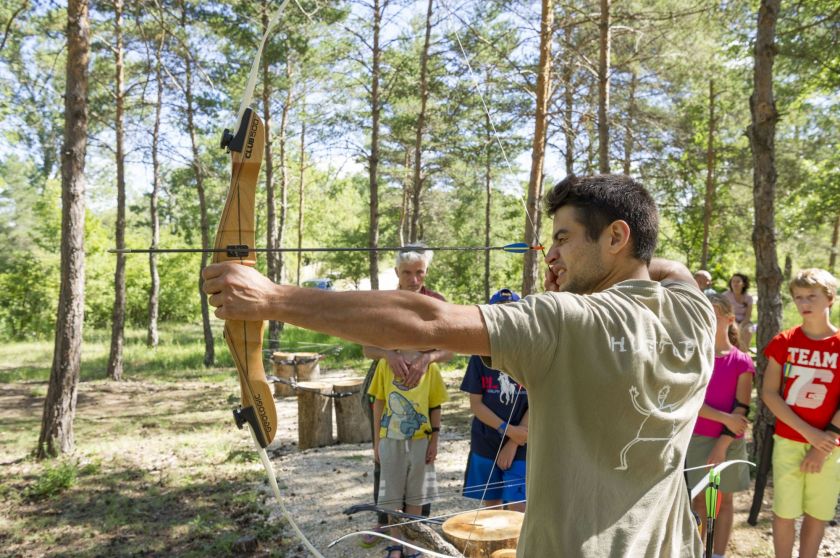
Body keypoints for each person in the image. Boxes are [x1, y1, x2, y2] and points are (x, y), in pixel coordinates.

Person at [202, 174, 715, 557]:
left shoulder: (566, 320)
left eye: (562, 238)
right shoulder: (695, 314)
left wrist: (271, 298)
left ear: (616, 236)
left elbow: (427, 321)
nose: (550, 253)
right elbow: (668, 270)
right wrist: (598, 266)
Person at [360, 245, 452, 544]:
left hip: (426, 384)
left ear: (426, 272)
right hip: (386, 378)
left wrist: (428, 359)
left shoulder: (437, 301)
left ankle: (417, 527)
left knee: (420, 463)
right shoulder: (384, 303)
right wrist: (388, 354)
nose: (414, 279)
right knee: (386, 456)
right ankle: (385, 524)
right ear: (397, 273)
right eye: (407, 273)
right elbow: (366, 348)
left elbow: (452, 347)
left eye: (420, 272)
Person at [761, 268, 840, 558]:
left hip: (829, 447)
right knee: (784, 511)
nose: (804, 303)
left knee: (817, 513)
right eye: (798, 298)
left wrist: (823, 444)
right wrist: (808, 433)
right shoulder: (784, 341)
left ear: (830, 298)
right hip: (789, 440)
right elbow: (769, 393)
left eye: (812, 297)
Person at [685, 293, 754, 558]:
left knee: (723, 503)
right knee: (700, 500)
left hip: (729, 443)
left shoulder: (742, 362)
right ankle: (696, 551)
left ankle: (718, 554)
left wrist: (723, 445)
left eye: (711, 315)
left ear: (728, 319)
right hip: (697, 439)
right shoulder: (694, 357)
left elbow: (742, 408)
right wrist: (725, 418)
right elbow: (690, 401)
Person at [368, 329, 449, 558]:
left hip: (421, 440)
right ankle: (395, 544)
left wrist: (435, 439)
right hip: (390, 440)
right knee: (392, 496)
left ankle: (412, 544)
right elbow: (378, 402)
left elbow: (435, 406)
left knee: (416, 495)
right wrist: (377, 442)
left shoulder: (430, 367)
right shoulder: (386, 364)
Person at [460, 288, 528, 513]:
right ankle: (495, 548)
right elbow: (476, 405)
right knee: (493, 507)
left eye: (511, 312)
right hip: (486, 440)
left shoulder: (530, 354)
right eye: (499, 313)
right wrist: (507, 430)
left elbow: (538, 402)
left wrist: (514, 441)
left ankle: (518, 549)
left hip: (522, 443)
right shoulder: (479, 355)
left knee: (519, 508)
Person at [724, 273, 753, 352]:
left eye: (738, 281)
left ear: (743, 284)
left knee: (748, 330)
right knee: (734, 330)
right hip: (730, 321)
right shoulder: (726, 296)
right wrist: (735, 324)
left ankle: (744, 355)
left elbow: (748, 316)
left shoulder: (749, 297)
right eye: (733, 281)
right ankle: (732, 353)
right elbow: (725, 313)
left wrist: (741, 326)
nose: (735, 284)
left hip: (745, 322)